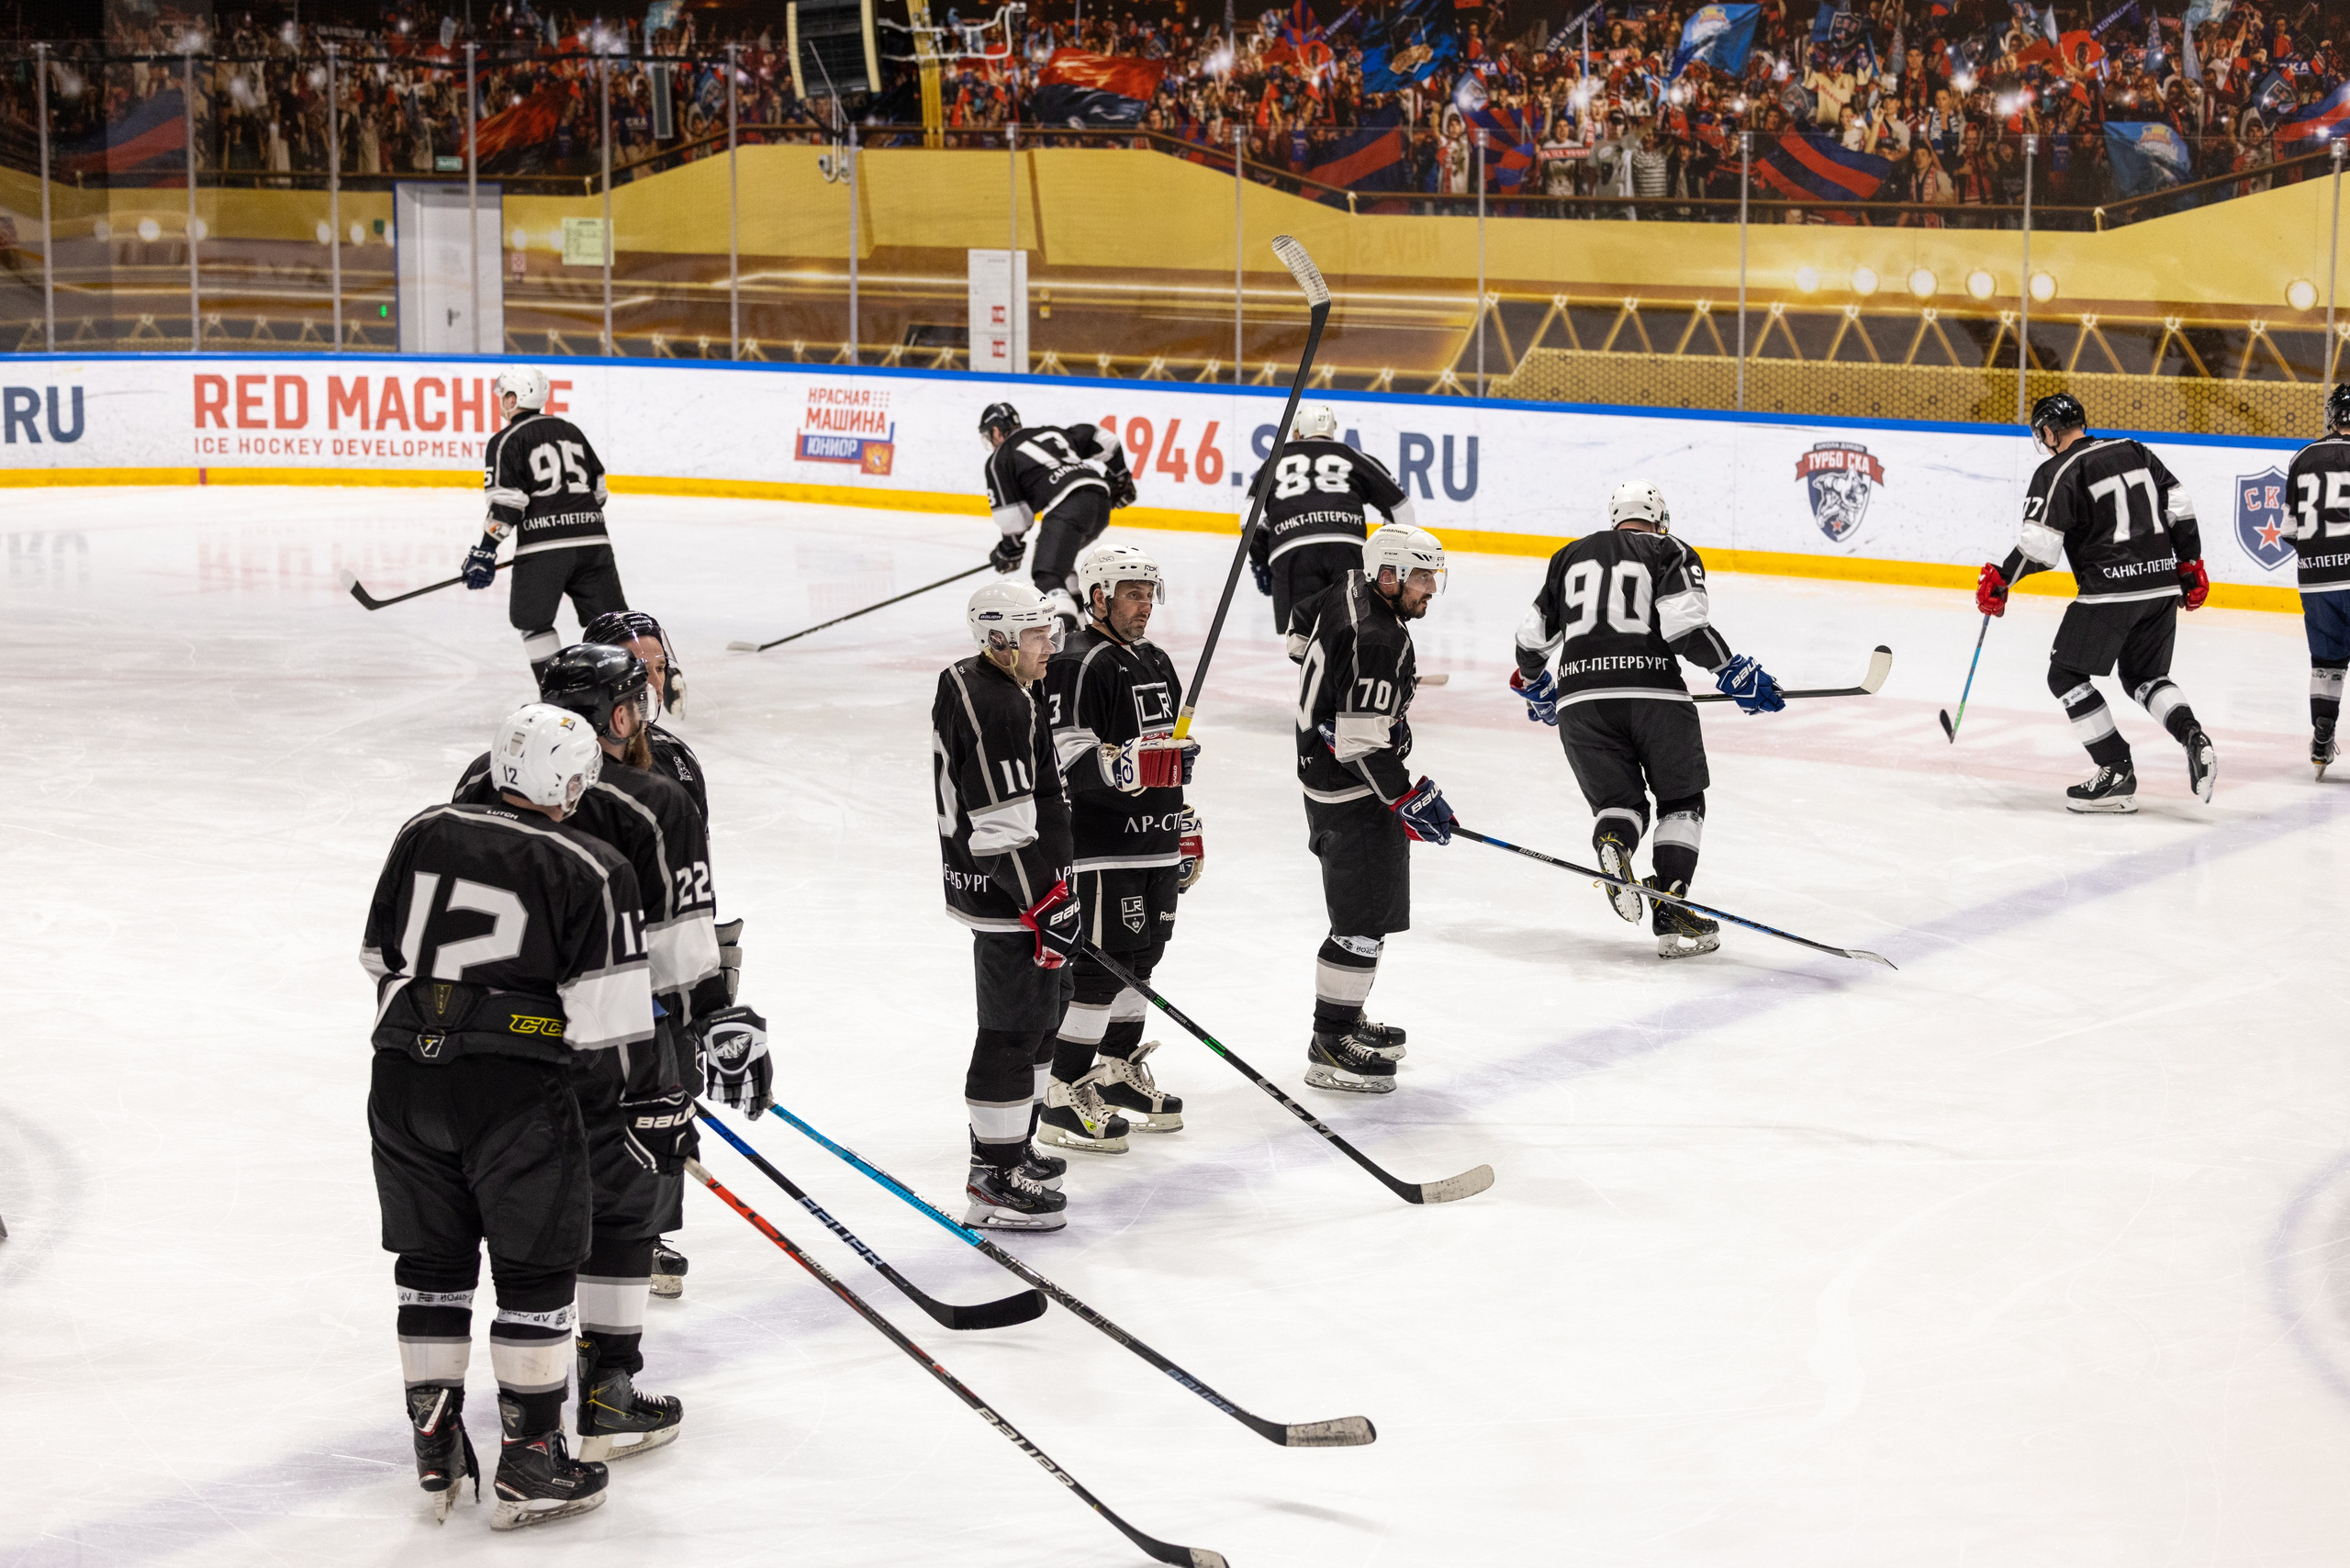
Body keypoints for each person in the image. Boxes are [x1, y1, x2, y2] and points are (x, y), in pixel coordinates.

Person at [452, 646, 767, 1463]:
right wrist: (717, 1026)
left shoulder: (479, 783)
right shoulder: (655, 801)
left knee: (532, 1213)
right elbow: (681, 953)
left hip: (499, 1038)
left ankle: (526, 1403)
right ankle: (609, 1390)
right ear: (622, 716)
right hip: (624, 1034)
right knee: (627, 1208)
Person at [364, 703, 666, 1529]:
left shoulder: (424, 828)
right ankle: (532, 1461)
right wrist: (652, 1102)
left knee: (432, 1259)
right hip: (514, 1093)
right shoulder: (592, 863)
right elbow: (610, 1026)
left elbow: (378, 959)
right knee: (534, 1270)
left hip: (401, 1078)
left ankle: (434, 1444)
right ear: (567, 781)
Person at [1509, 480, 1784, 958]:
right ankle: (1672, 905)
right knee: (1681, 801)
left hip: (1580, 700)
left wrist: (1538, 687)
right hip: (1653, 694)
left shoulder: (1568, 556)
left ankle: (1615, 839)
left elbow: (1531, 641)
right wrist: (1732, 670)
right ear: (1659, 519)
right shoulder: (1670, 549)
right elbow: (1684, 628)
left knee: (1620, 804)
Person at [1977, 392, 2217, 812]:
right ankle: (2193, 735)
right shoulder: (2134, 450)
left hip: (2110, 588)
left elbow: (2040, 549)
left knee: (2065, 676)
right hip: (2160, 585)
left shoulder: (2057, 469)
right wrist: (2190, 562)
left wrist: (2002, 579)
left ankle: (2116, 772)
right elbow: (2179, 504)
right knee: (2145, 677)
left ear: (2050, 431)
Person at [1038, 543, 1202, 1154]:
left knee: (1143, 961)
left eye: (1148, 593)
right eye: (1132, 593)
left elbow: (1171, 754)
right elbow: (1068, 761)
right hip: (1102, 846)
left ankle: (1115, 1069)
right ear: (1099, 596)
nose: (1144, 605)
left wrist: (1184, 818)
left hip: (1154, 842)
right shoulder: (1077, 664)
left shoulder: (1156, 659)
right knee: (1100, 970)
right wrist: (1132, 764)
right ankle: (1063, 1089)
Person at [932, 578, 1082, 1227]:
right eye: (1035, 637)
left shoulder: (989, 681)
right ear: (998, 642)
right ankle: (992, 1176)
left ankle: (1014, 1145)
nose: (1049, 647)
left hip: (1024, 888)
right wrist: (1047, 903)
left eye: (1050, 632)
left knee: (1044, 1016)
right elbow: (996, 833)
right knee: (1012, 1028)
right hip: (1012, 896)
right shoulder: (999, 705)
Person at [1287, 523, 1455, 1094]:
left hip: (1328, 778)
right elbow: (1361, 744)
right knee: (1361, 924)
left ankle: (1346, 1014)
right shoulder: (1380, 638)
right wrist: (1409, 798)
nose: (1430, 589)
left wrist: (1345, 683)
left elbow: (1296, 629)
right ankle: (1331, 1042)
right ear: (1390, 575)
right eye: (1423, 578)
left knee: (1365, 915)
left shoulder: (1346, 587)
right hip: (1354, 792)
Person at [581, 608, 719, 1300]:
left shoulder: (674, 764)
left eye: (660, 668)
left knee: (667, 1089)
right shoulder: (559, 761)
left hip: (653, 964)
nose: (655, 684)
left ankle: (649, 1231)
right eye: (641, 672)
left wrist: (708, 980)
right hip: (591, 970)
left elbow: (693, 881)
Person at [464, 366, 629, 677]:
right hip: (594, 543)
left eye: (504, 396)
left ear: (514, 399)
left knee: (532, 622)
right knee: (610, 624)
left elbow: (507, 504)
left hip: (544, 549)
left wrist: (485, 551)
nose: (501, 402)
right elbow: (600, 491)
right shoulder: (571, 430)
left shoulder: (506, 440)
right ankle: (627, 695)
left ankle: (558, 694)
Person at [1246, 405, 1416, 635]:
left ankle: (1317, 671)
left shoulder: (1276, 459)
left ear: (1297, 432)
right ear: (1331, 431)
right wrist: (1388, 561)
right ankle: (1372, 671)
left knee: (1303, 639)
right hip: (1347, 549)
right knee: (1355, 632)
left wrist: (1261, 562)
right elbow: (1401, 509)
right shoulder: (1351, 455)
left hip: (1291, 552)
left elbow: (1250, 520)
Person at [979, 401, 1137, 629]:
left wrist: (1009, 549)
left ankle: (1070, 638)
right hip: (1100, 499)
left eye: (989, 436)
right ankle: (1085, 627)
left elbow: (1014, 519)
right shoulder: (1050, 432)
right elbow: (1104, 439)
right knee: (1061, 565)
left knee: (1047, 576)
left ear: (995, 431)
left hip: (1067, 506)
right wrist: (1121, 477)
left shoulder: (1000, 459)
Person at [2282, 383, 2350, 777]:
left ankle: (2322, 733)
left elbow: (2291, 530)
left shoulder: (2304, 457)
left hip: (2317, 581)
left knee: (2327, 662)